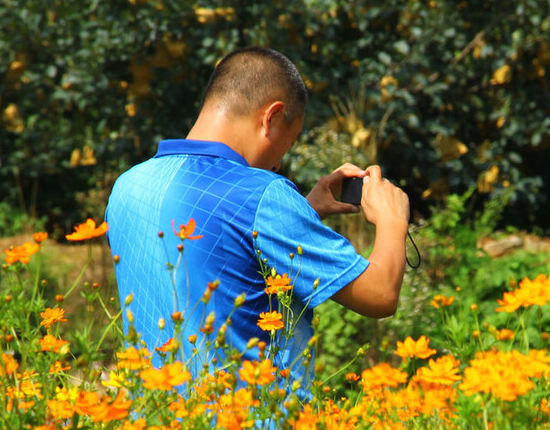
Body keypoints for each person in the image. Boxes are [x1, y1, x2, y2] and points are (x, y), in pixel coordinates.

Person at [105, 46, 409, 405]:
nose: (279, 164)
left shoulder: (128, 185)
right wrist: (392, 220)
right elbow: (380, 294)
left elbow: (214, 254)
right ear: (272, 117)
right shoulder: (262, 194)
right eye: (289, 141)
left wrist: (303, 213)